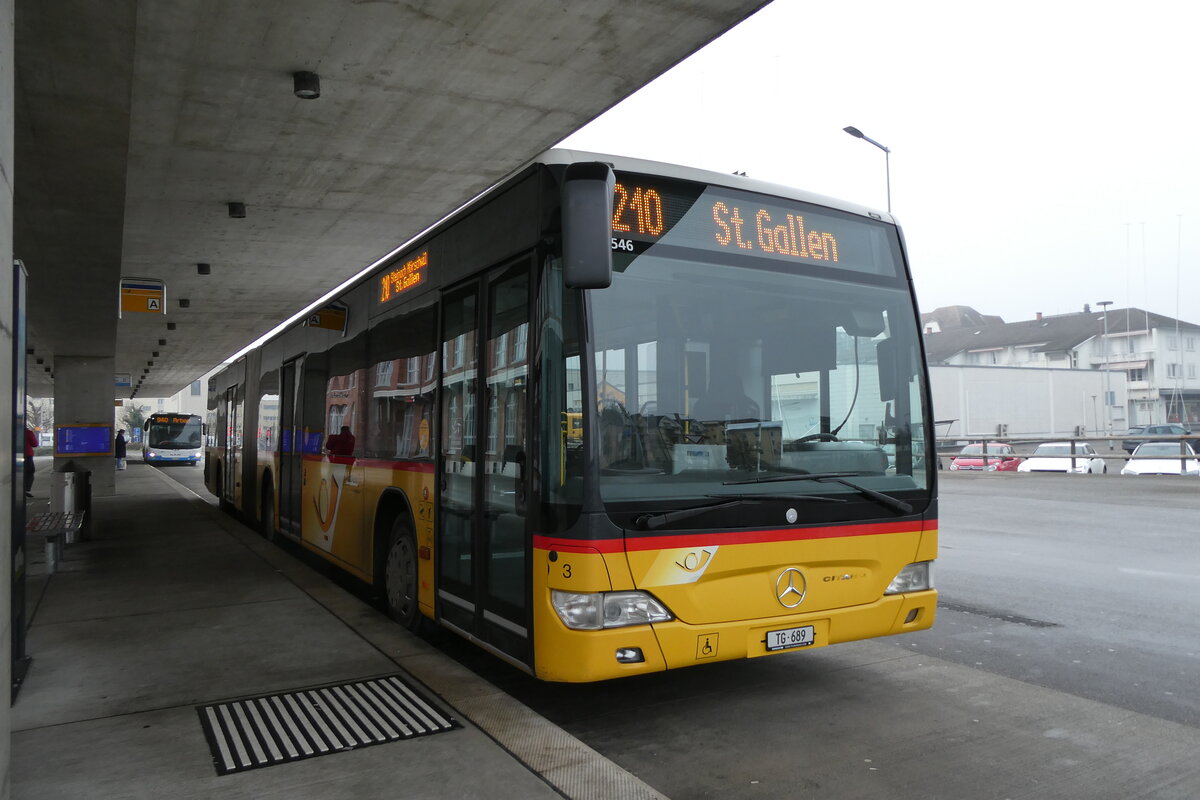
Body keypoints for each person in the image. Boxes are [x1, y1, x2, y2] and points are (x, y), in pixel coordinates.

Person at [24, 425, 38, 497]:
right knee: (29, 472)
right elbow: (35, 444)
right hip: (27, 456)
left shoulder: (10, 431)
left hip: (12, 455)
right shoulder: (28, 432)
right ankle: (26, 489)